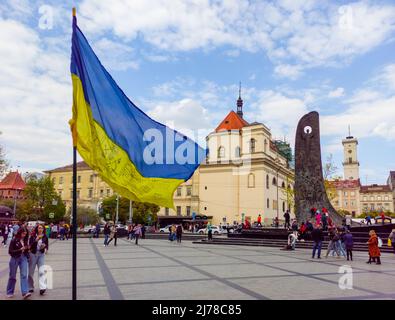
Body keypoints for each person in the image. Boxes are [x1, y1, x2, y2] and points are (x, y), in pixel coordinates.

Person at [6, 227, 31, 299]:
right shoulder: (14, 240)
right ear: (20, 232)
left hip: (23, 258)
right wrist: (20, 249)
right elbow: (10, 252)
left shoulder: (26, 240)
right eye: (23, 233)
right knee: (12, 276)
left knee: (24, 275)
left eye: (25, 234)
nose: (24, 235)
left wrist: (27, 250)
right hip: (15, 258)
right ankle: (10, 291)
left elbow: (26, 250)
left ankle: (25, 292)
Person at [28, 224, 48, 295]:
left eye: (42, 228)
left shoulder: (45, 236)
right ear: (37, 229)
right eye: (39, 228)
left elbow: (47, 245)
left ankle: (42, 287)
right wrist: (36, 240)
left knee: (42, 271)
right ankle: (30, 287)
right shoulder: (33, 236)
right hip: (33, 254)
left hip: (41, 254)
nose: (40, 229)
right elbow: (30, 246)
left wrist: (45, 248)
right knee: (30, 272)